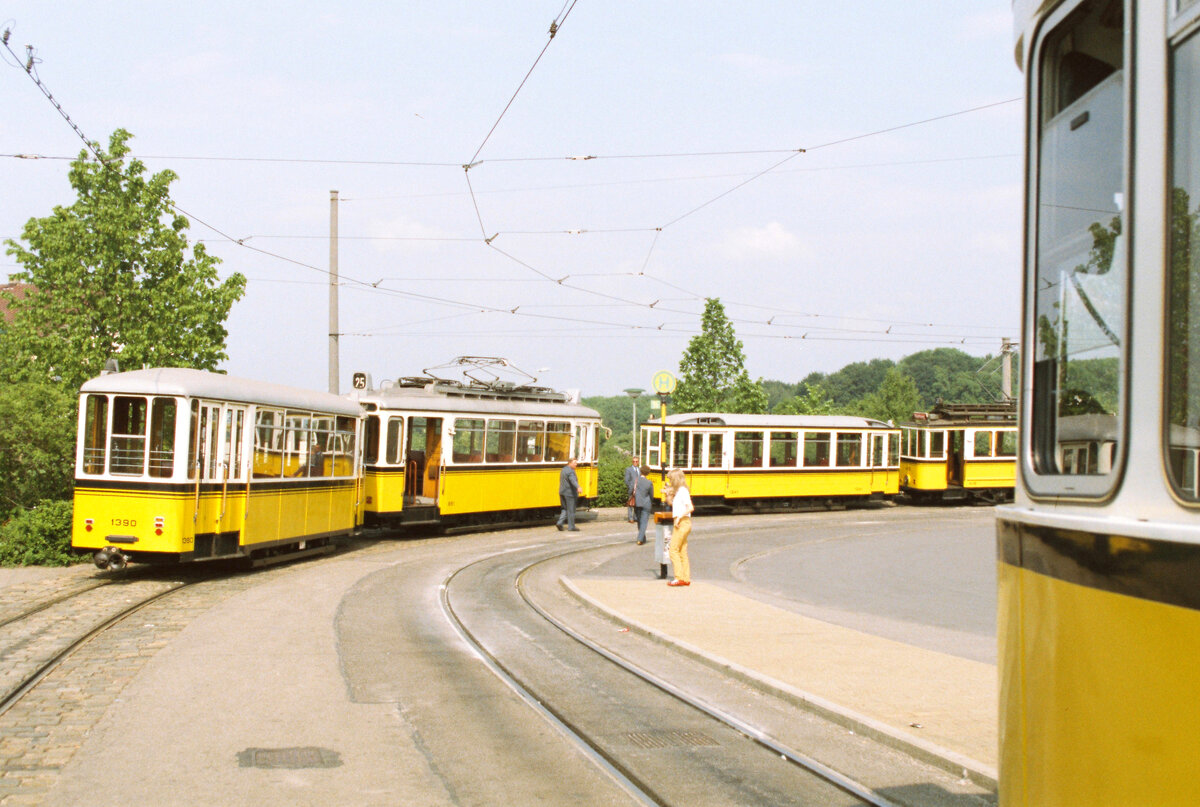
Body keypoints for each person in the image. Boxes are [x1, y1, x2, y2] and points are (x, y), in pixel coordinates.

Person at [664, 468, 694, 586]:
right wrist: (668, 494)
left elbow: (690, 507)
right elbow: (673, 504)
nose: (670, 481)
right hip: (682, 522)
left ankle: (679, 577)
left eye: (671, 479)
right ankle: (685, 578)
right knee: (682, 551)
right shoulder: (681, 491)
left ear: (676, 479)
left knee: (673, 550)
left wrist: (679, 517)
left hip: (682, 523)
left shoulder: (682, 491)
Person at [556, 458, 580, 531]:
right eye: (574, 462)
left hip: (562, 492)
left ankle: (560, 523)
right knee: (571, 510)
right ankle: (571, 527)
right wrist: (578, 487)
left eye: (576, 462)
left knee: (564, 509)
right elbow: (573, 480)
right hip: (569, 494)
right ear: (570, 463)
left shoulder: (563, 469)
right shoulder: (571, 471)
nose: (576, 464)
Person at [633, 465, 655, 545]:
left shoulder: (636, 480)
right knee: (644, 522)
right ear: (648, 473)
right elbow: (651, 495)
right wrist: (651, 502)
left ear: (640, 471)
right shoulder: (649, 483)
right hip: (646, 504)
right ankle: (640, 538)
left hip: (637, 503)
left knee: (639, 521)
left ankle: (641, 538)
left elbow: (631, 490)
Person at [623, 456, 641, 523]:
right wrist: (630, 487)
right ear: (632, 462)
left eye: (636, 461)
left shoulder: (639, 469)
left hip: (639, 490)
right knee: (630, 504)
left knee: (637, 504)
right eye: (634, 461)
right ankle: (630, 518)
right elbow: (626, 480)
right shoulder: (629, 469)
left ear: (638, 462)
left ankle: (636, 517)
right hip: (632, 489)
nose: (635, 463)